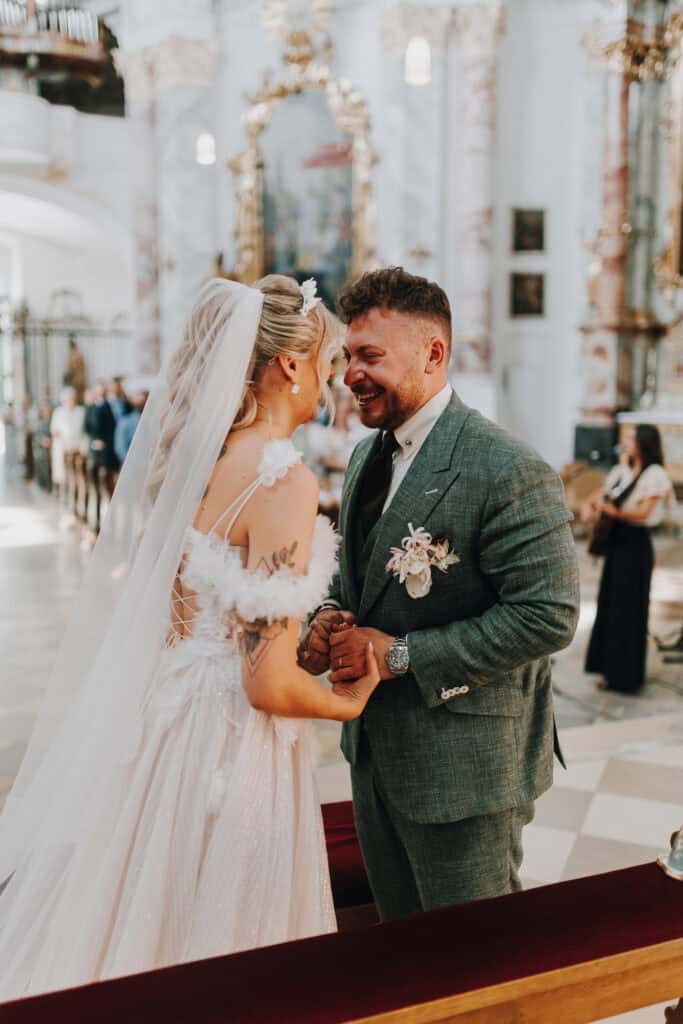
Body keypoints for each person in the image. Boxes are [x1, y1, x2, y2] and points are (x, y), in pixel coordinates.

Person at [0, 275, 379, 999]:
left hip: (168, 719)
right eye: (328, 361)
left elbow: (217, 623)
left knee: (148, 915)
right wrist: (346, 702)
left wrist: (296, 637)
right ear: (289, 365)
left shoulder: (198, 460)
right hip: (232, 744)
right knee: (229, 944)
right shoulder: (283, 478)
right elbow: (264, 682)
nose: (332, 380)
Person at [298, 267, 580, 920]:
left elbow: (548, 616)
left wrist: (398, 655)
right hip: (375, 753)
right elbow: (355, 578)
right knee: (403, 955)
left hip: (463, 765)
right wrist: (325, 615)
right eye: (347, 356)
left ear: (433, 354)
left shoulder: (506, 468)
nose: (350, 374)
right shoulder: (369, 457)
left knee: (473, 965)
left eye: (369, 356)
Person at [583, 424, 676, 694]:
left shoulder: (655, 475)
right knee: (611, 605)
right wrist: (594, 506)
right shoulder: (622, 471)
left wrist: (613, 512)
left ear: (644, 443)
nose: (626, 441)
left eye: (632, 438)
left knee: (630, 608)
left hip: (635, 546)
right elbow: (600, 496)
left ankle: (627, 677)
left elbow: (644, 513)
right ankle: (610, 672)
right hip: (617, 543)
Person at [49, 387, 87, 498]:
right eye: (68, 399)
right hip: (64, 450)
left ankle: (78, 501)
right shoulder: (58, 412)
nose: (71, 401)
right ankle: (66, 498)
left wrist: (80, 446)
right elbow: (54, 431)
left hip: (78, 450)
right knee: (65, 477)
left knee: (79, 477)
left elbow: (84, 431)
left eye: (72, 399)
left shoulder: (81, 411)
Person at [113, 390, 148, 465]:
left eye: (144, 402)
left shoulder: (154, 420)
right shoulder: (125, 422)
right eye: (140, 403)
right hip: (132, 466)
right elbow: (120, 448)